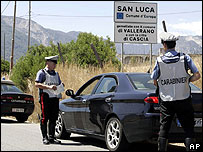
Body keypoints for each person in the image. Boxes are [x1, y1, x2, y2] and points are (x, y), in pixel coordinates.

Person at [151, 32, 200, 151]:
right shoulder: (185, 58)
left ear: (164, 45)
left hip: (166, 100)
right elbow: (197, 75)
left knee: (164, 129)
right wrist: (187, 80)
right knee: (189, 129)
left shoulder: (159, 61)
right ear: (175, 44)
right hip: (183, 98)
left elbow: (154, 80)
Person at [35, 55, 63, 145]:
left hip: (55, 98)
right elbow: (37, 84)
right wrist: (48, 87)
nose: (55, 65)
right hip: (45, 97)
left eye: (55, 63)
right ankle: (44, 137)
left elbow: (58, 84)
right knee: (44, 118)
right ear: (47, 63)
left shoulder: (56, 74)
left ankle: (52, 137)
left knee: (53, 118)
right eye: (53, 63)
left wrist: (61, 87)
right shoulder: (42, 73)